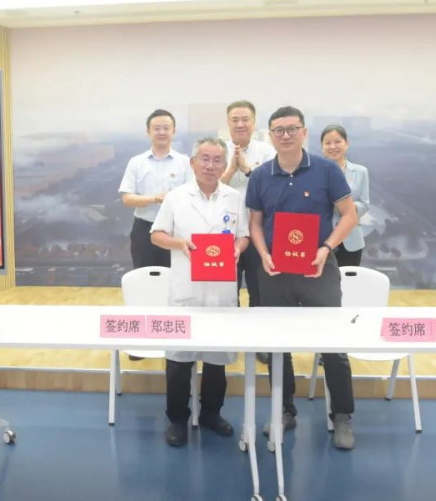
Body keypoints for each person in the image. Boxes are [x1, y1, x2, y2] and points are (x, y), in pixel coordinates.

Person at [246, 106, 359, 450]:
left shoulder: (327, 170)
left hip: (319, 268)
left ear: (304, 132)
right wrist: (263, 254)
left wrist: (326, 248)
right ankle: (284, 410)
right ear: (270, 135)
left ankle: (341, 415)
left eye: (292, 129)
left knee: (333, 345)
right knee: (278, 345)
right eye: (278, 130)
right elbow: (255, 223)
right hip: (275, 272)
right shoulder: (260, 175)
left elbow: (349, 215)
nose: (285, 135)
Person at [150, 136, 250, 447]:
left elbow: (244, 235)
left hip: (221, 289)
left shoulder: (234, 197)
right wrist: (179, 243)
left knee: (216, 360)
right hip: (187, 289)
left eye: (217, 160)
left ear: (225, 164)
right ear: (193, 163)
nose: (210, 165)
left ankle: (211, 414)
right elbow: (156, 235)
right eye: (204, 159)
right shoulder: (176, 197)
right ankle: (177, 419)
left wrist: (237, 249)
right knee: (179, 360)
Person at [119, 109, 192, 269]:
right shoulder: (136, 162)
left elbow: (192, 196)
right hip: (144, 229)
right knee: (144, 275)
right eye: (157, 128)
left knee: (175, 276)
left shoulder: (185, 162)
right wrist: (154, 199)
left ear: (174, 131)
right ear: (148, 132)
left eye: (166, 128)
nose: (162, 132)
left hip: (175, 231)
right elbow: (127, 199)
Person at [220, 100, 276, 305]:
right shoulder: (217, 151)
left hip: (257, 233)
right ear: (228, 123)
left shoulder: (268, 152)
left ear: (254, 122)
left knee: (259, 291)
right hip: (223, 232)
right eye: (235, 120)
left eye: (245, 119)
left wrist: (247, 170)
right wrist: (230, 171)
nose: (240, 124)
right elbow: (207, 189)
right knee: (226, 294)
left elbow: (273, 190)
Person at [320, 125, 369, 267]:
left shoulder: (360, 171)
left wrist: (345, 206)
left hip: (351, 239)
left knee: (349, 279)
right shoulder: (315, 172)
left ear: (346, 143)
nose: (333, 147)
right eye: (327, 143)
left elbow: (364, 204)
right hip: (322, 239)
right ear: (322, 147)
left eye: (337, 141)